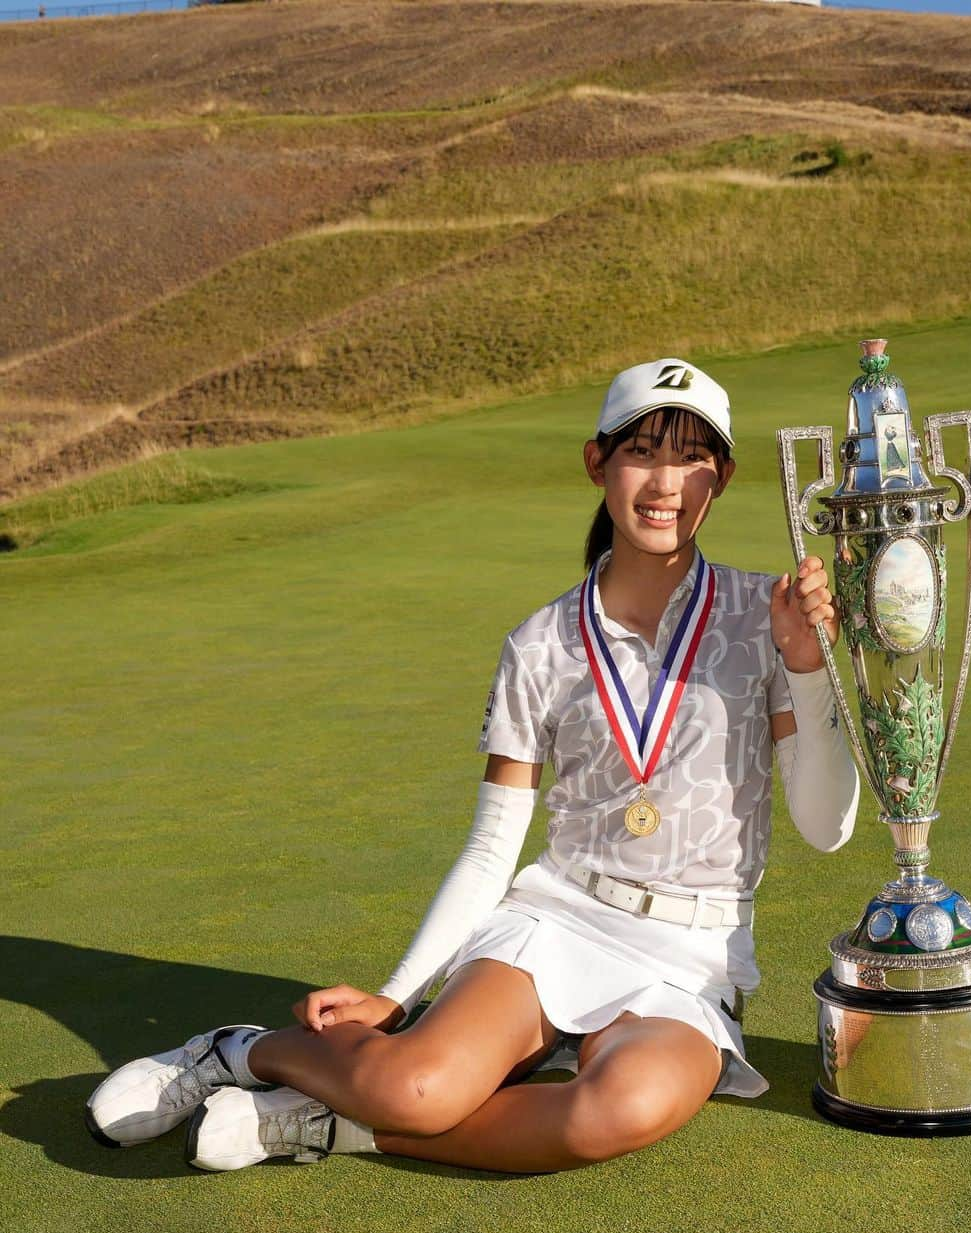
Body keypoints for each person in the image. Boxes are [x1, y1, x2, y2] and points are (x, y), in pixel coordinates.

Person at [86, 358, 858, 1175]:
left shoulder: (764, 615)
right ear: (598, 463)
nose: (666, 482)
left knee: (620, 1107)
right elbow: (495, 844)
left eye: (693, 458)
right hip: (561, 921)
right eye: (642, 453)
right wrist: (399, 993)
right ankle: (239, 1053)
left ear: (723, 477)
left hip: (692, 958)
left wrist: (808, 668)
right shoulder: (539, 644)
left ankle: (319, 1127)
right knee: (418, 1089)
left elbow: (826, 826)